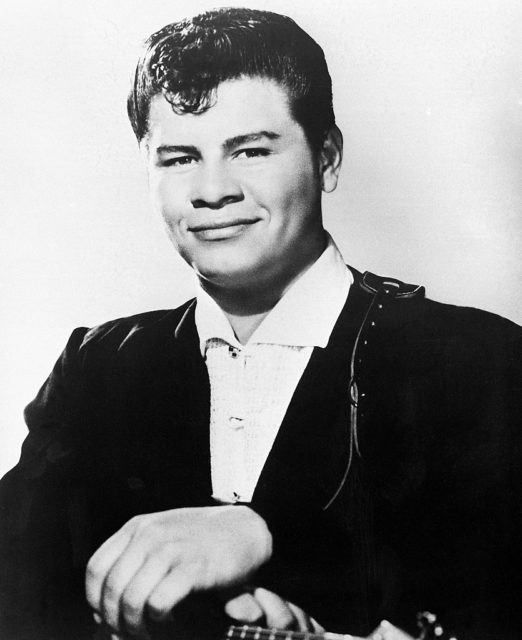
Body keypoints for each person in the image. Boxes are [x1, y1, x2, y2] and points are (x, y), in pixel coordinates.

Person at [0, 7, 520, 640]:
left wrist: (266, 531)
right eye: (178, 159)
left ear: (326, 159)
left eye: (249, 150)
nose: (212, 190)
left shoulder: (477, 359)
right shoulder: (100, 365)